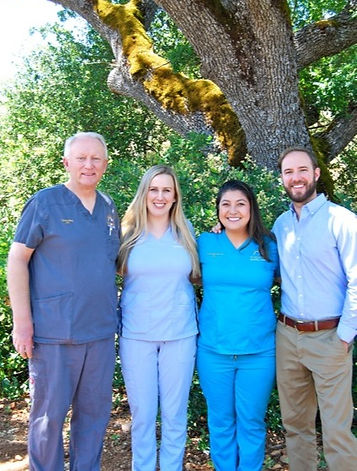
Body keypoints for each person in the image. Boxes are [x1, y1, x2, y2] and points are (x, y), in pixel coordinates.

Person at [7, 132, 120, 471]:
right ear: (66, 163)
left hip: (99, 332)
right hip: (54, 332)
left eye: (96, 158)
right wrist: (22, 323)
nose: (89, 165)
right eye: (81, 158)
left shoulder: (109, 207)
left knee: (94, 416)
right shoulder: (45, 203)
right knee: (48, 418)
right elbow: (16, 260)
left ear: (105, 164)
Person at [272, 146, 357, 471]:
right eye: (288, 172)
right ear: (282, 178)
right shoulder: (282, 225)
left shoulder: (342, 221)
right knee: (296, 427)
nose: (296, 178)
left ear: (316, 174)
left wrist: (346, 335)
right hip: (288, 336)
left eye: (302, 170)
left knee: (336, 432)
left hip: (331, 338)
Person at [117, 165, 200, 471]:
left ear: (175, 196)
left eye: (167, 190)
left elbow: (199, 274)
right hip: (136, 336)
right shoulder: (127, 233)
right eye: (154, 189)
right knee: (142, 416)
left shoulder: (186, 231)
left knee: (175, 415)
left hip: (180, 334)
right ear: (144, 193)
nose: (160, 196)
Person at [197, 180, 279, 471]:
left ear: (251, 208)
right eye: (225, 204)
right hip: (213, 352)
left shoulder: (269, 246)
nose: (233, 210)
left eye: (240, 203)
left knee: (252, 423)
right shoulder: (204, 243)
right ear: (217, 209)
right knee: (220, 423)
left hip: (258, 353)